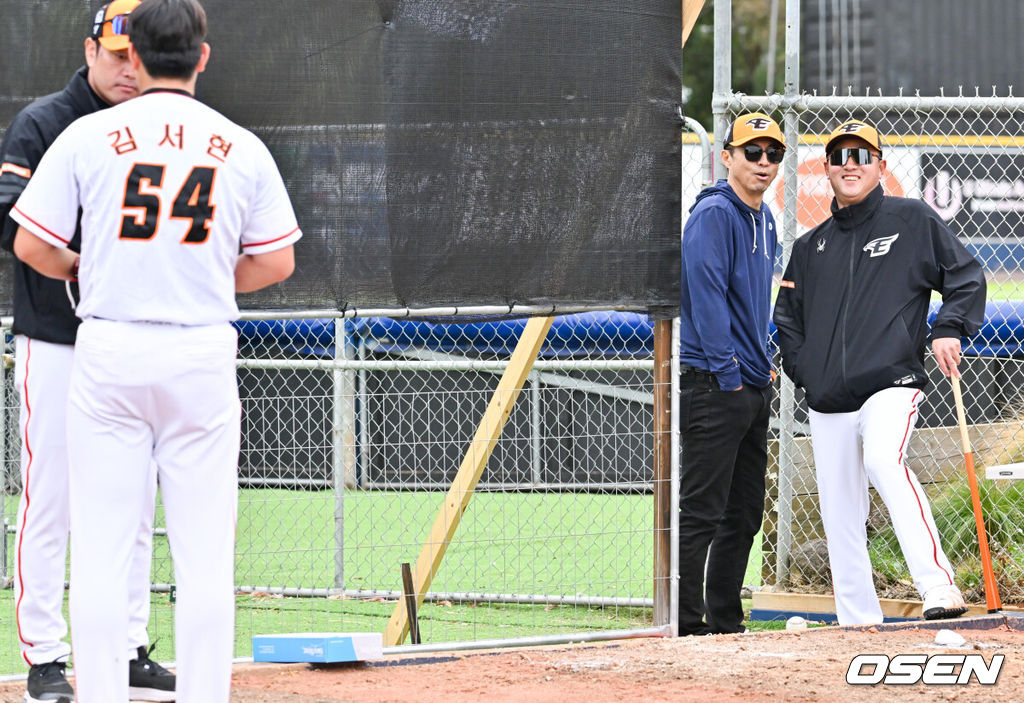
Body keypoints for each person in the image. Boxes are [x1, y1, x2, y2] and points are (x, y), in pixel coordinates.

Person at [9, 0, 301, 699]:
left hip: (110, 349)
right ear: (203, 57)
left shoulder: (88, 137)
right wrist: (197, 274)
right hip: (199, 351)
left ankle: (100, 689)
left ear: (133, 57)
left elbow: (29, 242)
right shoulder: (240, 143)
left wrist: (100, 267)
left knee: (103, 550)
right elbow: (277, 262)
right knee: (204, 558)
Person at [0, 2, 175, 701]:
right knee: (54, 499)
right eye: (116, 55)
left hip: (135, 339)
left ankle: (129, 643)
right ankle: (46, 655)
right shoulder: (46, 122)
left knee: (135, 502)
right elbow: (9, 216)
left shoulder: (158, 128)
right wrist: (90, 255)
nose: (128, 70)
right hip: (57, 337)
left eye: (140, 58)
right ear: (90, 50)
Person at [773, 119, 986, 626]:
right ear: (826, 168)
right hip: (827, 400)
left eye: (861, 156)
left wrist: (948, 328)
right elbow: (787, 322)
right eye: (840, 156)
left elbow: (966, 276)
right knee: (840, 514)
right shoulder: (809, 247)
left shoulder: (912, 220)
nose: (851, 164)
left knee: (884, 463)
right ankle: (857, 622)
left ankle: (939, 588)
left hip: (891, 384)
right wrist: (810, 375)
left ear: (880, 167)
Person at [676, 112, 784, 636]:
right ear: (728, 156)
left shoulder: (765, 218)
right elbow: (707, 298)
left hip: (752, 385)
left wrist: (754, 376)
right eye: (752, 151)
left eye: (773, 153)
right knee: (702, 511)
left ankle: (724, 620)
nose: (764, 162)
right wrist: (731, 376)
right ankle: (684, 621)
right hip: (716, 383)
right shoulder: (714, 214)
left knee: (743, 512)